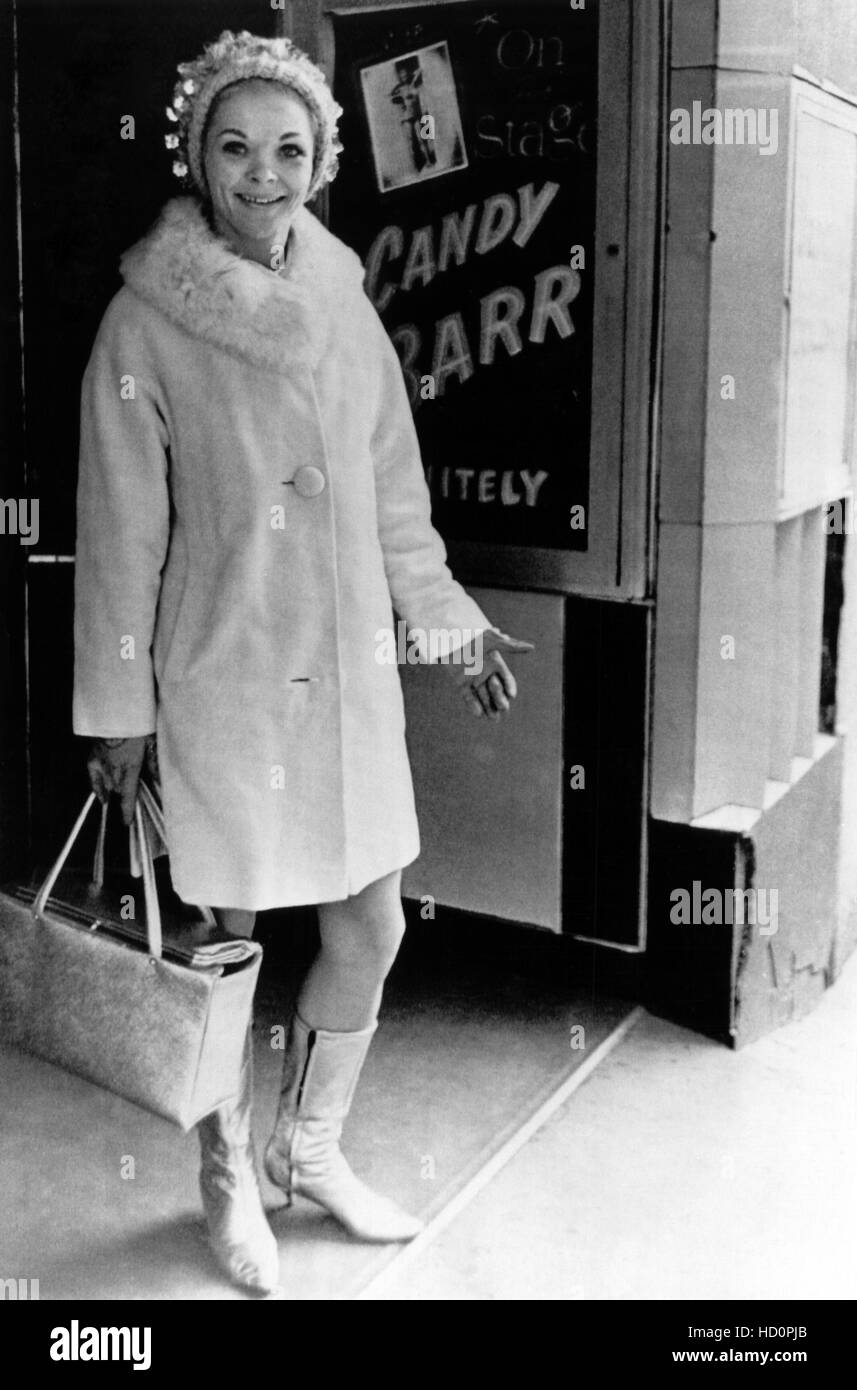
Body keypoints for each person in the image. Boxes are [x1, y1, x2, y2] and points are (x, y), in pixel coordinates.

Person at [73, 30, 532, 1297]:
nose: (262, 175)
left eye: (288, 150)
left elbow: (394, 494)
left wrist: (445, 620)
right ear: (196, 156)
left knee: (371, 921)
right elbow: (120, 535)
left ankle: (308, 1146)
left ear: (322, 158)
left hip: (347, 680)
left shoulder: (340, 298)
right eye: (235, 148)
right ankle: (227, 1185)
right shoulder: (141, 321)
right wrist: (115, 714)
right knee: (223, 946)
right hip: (218, 678)